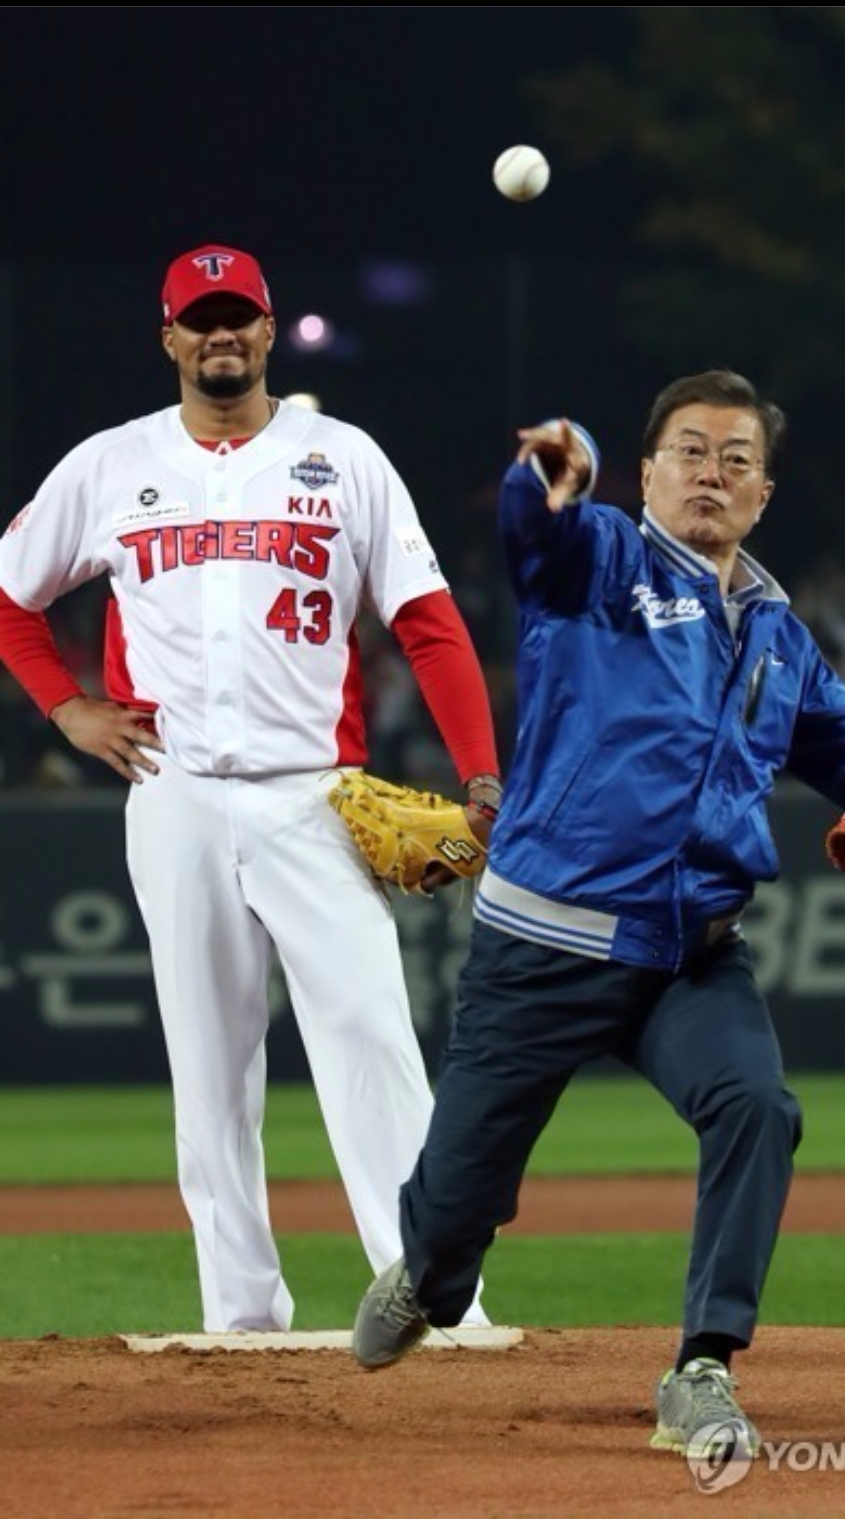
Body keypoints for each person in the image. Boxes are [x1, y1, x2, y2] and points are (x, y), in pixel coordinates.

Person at [351, 368, 845, 1457]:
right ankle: (432, 1269)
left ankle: (702, 1365)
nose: (711, 473)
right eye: (690, 451)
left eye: (737, 459)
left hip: (690, 957)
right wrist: (553, 464)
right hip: (544, 946)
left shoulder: (777, 637)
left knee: (758, 1107)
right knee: (453, 1208)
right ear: (647, 473)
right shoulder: (601, 562)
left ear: (763, 494)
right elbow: (534, 530)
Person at [0, 244, 502, 1334]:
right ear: (170, 337)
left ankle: (436, 1297)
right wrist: (66, 708)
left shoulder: (343, 457)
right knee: (210, 1069)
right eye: (200, 317)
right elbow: (10, 593)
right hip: (173, 792)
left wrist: (478, 765)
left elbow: (427, 623)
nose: (220, 333)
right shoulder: (110, 464)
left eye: (238, 315)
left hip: (314, 796)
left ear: (269, 331)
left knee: (373, 1042)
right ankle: (240, 1319)